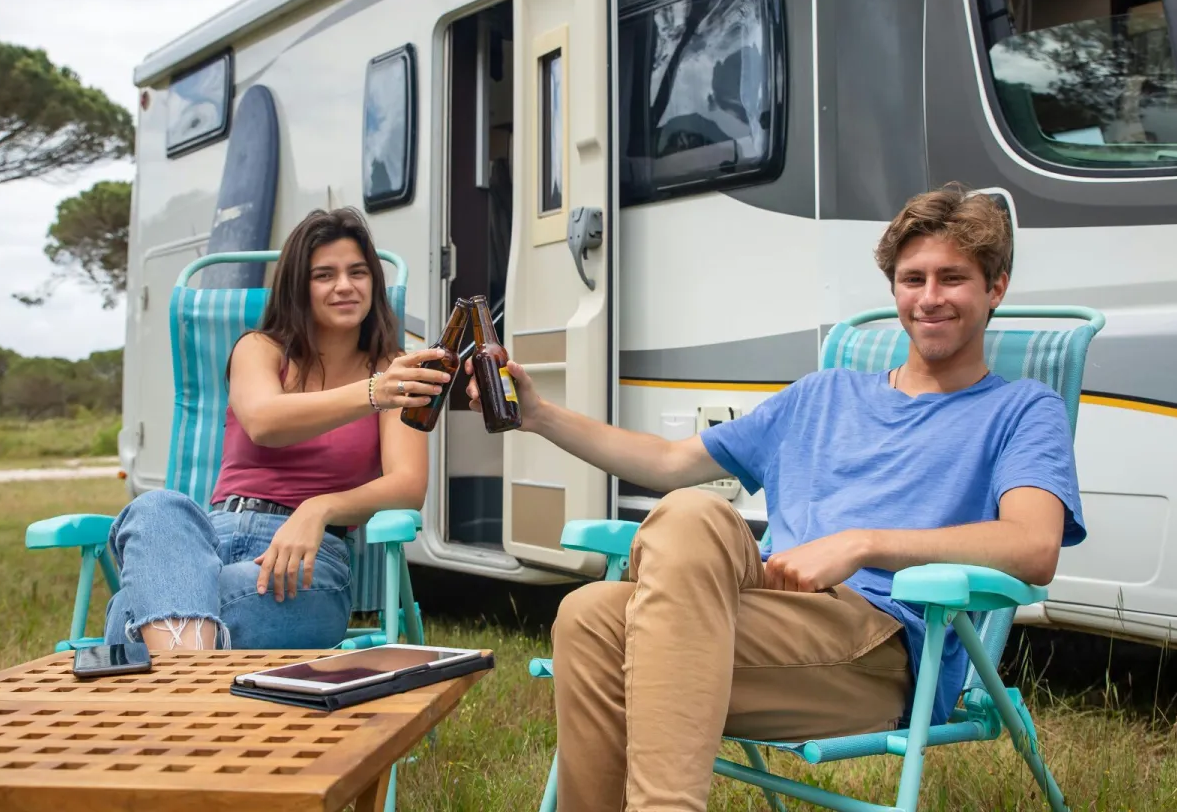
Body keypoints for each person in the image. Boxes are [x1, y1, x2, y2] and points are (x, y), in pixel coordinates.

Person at [464, 184, 1086, 811]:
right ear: (893, 289)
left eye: (951, 278)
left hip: (879, 643)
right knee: (651, 552)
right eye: (912, 278)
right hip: (759, 606)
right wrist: (538, 415)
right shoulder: (824, 394)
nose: (928, 298)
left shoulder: (1021, 411)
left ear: (995, 288)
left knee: (600, 615)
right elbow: (671, 462)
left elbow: (1033, 547)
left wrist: (862, 544)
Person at [104, 207, 451, 652]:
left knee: (137, 612)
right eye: (324, 275)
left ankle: (147, 646)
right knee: (157, 507)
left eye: (358, 272)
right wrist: (373, 392)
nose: (345, 286)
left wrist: (319, 509)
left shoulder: (394, 369)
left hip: (306, 560)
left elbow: (407, 486)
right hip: (211, 537)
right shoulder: (260, 349)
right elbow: (265, 422)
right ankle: (187, 665)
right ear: (298, 287)